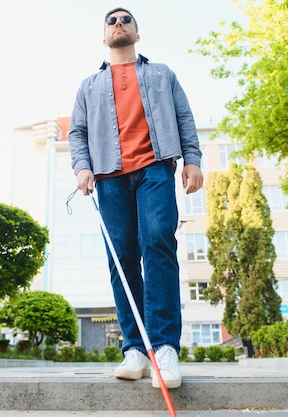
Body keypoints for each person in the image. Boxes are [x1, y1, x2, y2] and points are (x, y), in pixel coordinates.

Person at [68, 7, 203, 389]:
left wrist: (192, 160)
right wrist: (82, 167)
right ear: (104, 37)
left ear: (137, 35)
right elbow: (76, 133)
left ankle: (163, 348)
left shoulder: (162, 74)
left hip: (155, 169)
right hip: (109, 178)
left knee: (158, 243)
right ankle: (136, 350)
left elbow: (184, 118)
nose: (118, 23)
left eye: (125, 19)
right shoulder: (88, 86)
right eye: (110, 21)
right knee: (121, 257)